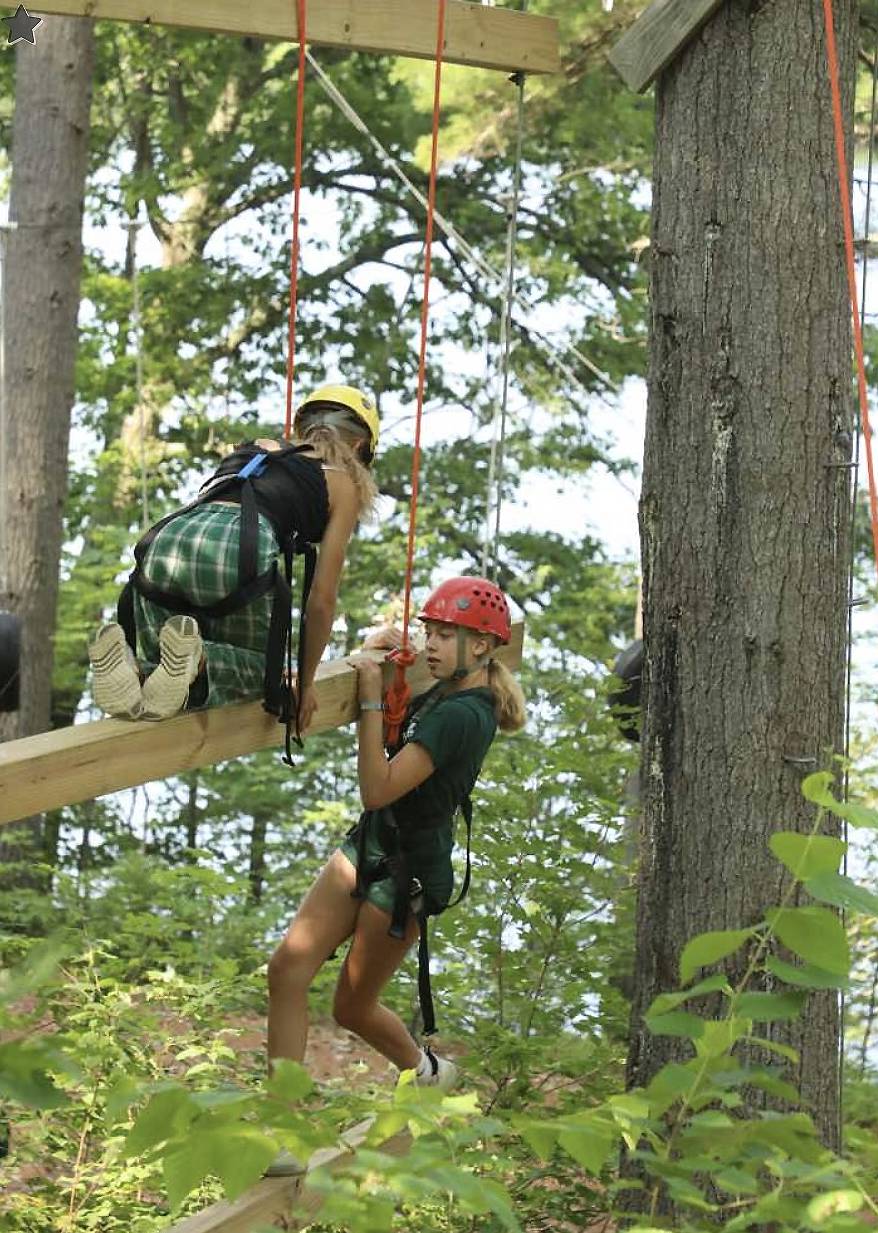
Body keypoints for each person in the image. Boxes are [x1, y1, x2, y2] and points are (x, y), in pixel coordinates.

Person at [264, 576, 526, 1172]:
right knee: (286, 969)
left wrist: (367, 698)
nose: (431, 643)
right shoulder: (450, 686)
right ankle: (280, 1130)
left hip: (406, 872)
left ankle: (425, 1071)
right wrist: (387, 644)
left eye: (445, 634)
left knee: (351, 1009)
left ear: (482, 647)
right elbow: (410, 670)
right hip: (372, 846)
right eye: (430, 631)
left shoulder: (464, 714)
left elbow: (376, 788)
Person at [86, 385, 379, 743]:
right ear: (359, 446)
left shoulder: (261, 446)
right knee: (266, 674)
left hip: (168, 539)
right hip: (239, 547)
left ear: (303, 428)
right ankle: (201, 659)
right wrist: (303, 681)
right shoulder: (343, 483)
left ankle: (134, 670)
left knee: (167, 664)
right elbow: (322, 599)